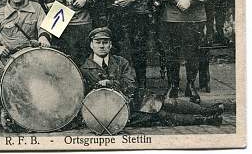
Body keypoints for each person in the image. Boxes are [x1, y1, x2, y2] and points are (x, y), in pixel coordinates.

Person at [81, 27, 224, 128]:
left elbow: (131, 84)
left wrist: (111, 83)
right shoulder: (84, 69)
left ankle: (208, 110)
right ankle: (207, 119)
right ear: (91, 45)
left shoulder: (120, 61)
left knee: (168, 103)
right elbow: (86, 98)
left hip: (133, 98)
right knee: (162, 115)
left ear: (110, 45)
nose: (102, 46)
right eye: (98, 42)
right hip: (115, 110)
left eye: (105, 42)